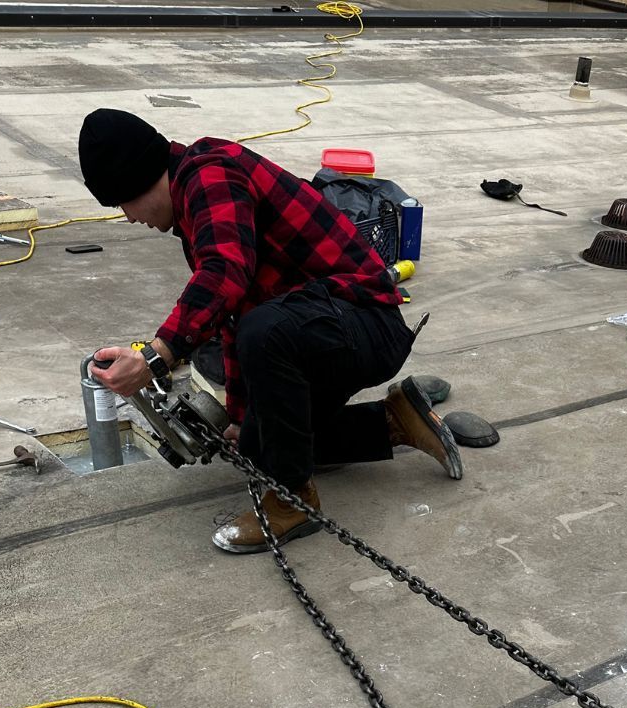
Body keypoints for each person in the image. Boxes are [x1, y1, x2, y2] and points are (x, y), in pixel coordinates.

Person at [76, 108, 461, 553]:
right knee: (263, 447)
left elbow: (226, 276)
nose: (127, 217)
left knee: (266, 333)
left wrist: (156, 356)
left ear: (137, 180)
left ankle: (290, 503)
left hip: (365, 324)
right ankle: (396, 420)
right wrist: (241, 418)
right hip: (328, 328)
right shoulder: (194, 199)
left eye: (122, 202)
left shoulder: (208, 174)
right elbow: (236, 314)